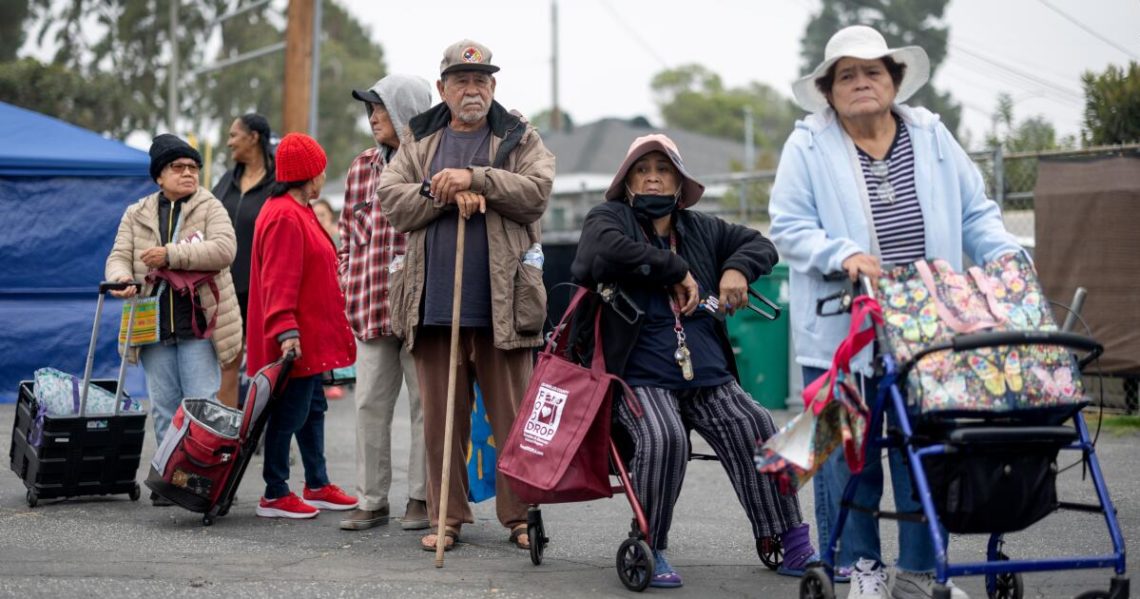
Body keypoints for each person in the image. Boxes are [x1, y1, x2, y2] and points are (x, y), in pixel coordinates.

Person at [769, 25, 1022, 599]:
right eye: (847, 75)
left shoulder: (932, 135)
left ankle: (916, 571)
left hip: (928, 325)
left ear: (895, 79)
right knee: (843, 455)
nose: (861, 83)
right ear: (829, 90)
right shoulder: (807, 144)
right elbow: (788, 225)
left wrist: (1007, 256)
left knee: (922, 450)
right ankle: (863, 568)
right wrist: (843, 253)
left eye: (873, 71)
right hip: (843, 327)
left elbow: (976, 213)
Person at [570, 134, 816, 589]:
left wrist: (736, 269)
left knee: (757, 423)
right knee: (665, 439)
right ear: (626, 182)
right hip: (638, 376)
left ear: (679, 183)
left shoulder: (702, 229)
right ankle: (651, 540)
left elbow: (762, 245)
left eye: (663, 170)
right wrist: (676, 270)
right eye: (642, 170)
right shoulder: (609, 218)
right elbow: (597, 255)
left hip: (705, 372)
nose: (652, 178)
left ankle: (788, 534)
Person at [377, 39, 554, 552]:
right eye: (460, 80)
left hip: (504, 303)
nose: (471, 89)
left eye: (480, 80)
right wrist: (442, 190)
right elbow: (392, 199)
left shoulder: (519, 134)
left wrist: (479, 179)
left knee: (512, 419)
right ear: (442, 89)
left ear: (493, 86)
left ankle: (521, 518)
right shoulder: (420, 137)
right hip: (435, 304)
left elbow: (536, 193)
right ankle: (447, 518)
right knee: (441, 422)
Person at [105, 134, 243, 505]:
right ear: (159, 176)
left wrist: (170, 255)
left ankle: (197, 483)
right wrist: (121, 279)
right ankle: (170, 481)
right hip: (152, 327)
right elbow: (118, 256)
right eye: (178, 167)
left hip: (200, 327)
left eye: (193, 167)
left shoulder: (210, 205)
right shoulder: (137, 213)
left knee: (199, 406)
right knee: (165, 407)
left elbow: (224, 249)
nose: (188, 173)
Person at [336, 73, 433, 532]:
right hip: (369, 306)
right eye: (370, 109)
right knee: (368, 405)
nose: (373, 117)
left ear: (407, 110)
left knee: (425, 407)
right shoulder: (360, 167)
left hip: (421, 309)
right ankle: (371, 500)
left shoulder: (433, 162)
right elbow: (346, 241)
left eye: (381, 107)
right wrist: (347, 280)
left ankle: (421, 498)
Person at [246, 132, 359, 519]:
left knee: (312, 410)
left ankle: (317, 483)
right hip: (294, 340)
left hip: (310, 339)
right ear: (308, 175)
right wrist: (287, 332)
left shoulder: (299, 209)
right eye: (320, 170)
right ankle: (275, 492)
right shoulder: (283, 215)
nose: (323, 176)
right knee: (287, 415)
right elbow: (279, 281)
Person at [213, 113, 276, 407]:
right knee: (228, 362)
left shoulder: (279, 181)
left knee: (267, 365)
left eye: (234, 135)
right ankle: (227, 438)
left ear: (253, 137)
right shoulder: (227, 181)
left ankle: (268, 434)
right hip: (227, 287)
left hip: (265, 287)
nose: (228, 143)